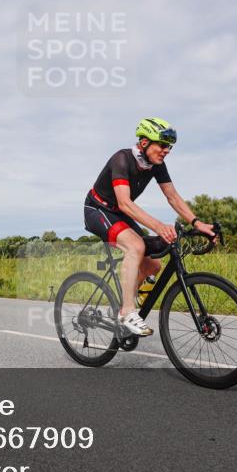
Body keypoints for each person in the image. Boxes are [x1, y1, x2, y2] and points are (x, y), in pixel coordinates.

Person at [83, 118, 217, 336]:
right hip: (98, 209)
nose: (166, 151)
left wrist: (197, 222)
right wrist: (158, 226)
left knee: (153, 265)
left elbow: (172, 196)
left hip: (119, 212)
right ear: (144, 143)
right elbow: (125, 202)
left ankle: (122, 304)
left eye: (169, 147)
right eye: (162, 145)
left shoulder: (156, 165)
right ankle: (127, 312)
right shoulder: (122, 159)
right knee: (135, 247)